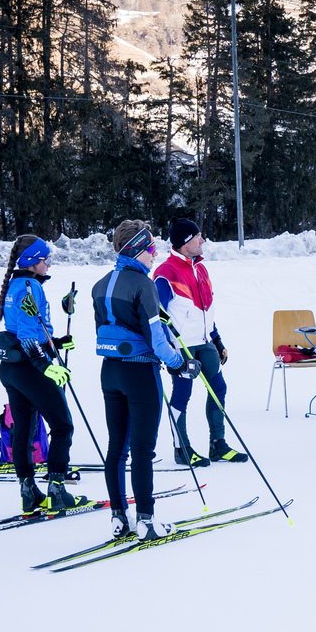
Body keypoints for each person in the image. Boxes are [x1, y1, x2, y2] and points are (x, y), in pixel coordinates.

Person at [92, 219, 198, 540]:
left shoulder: (100, 284)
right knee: (142, 449)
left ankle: (119, 518)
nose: (155, 254)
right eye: (151, 248)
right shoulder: (143, 284)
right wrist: (179, 363)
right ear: (138, 250)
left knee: (116, 448)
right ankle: (147, 522)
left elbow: (105, 330)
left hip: (110, 372)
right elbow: (156, 339)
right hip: (140, 372)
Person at [0, 235, 83, 510]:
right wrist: (47, 366)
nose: (48, 263)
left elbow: (27, 330)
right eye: (45, 259)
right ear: (33, 262)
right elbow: (26, 334)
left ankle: (29, 491)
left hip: (11, 367)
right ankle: (57, 490)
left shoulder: (15, 284)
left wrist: (55, 344)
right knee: (63, 425)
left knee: (24, 428)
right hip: (29, 368)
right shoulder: (31, 286)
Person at [154, 217, 244, 466]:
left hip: (204, 342)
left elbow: (205, 310)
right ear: (184, 243)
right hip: (181, 346)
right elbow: (156, 315)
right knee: (183, 394)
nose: (202, 240)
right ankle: (181, 448)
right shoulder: (165, 273)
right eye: (197, 237)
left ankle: (218, 445)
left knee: (219, 389)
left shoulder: (200, 268)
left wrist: (217, 339)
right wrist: (167, 349)